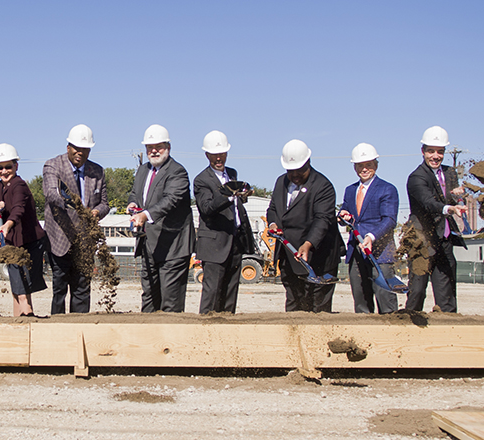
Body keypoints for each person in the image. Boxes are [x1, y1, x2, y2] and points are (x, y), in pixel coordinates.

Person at [266, 139, 340, 313]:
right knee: (293, 301)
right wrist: (273, 223)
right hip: (289, 255)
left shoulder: (323, 186)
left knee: (317, 307)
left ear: (308, 162)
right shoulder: (280, 183)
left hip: (318, 256)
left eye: (300, 171)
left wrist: (308, 244)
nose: (295, 175)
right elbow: (273, 209)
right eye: (291, 171)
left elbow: (322, 220)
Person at [41, 124, 109, 314]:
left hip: (85, 242)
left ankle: (80, 328)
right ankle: (56, 329)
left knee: (82, 290)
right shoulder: (53, 165)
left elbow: (104, 204)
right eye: (76, 148)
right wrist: (74, 204)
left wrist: (95, 212)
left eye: (85, 149)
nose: (80, 152)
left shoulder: (98, 172)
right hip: (60, 240)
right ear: (68, 147)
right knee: (59, 290)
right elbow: (52, 194)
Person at [128, 124, 195, 313]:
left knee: (170, 302)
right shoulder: (142, 171)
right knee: (149, 297)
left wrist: (145, 215)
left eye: (159, 146)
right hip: (149, 245)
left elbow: (170, 200)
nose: (154, 150)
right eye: (150, 147)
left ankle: (170, 342)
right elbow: (135, 194)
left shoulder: (177, 172)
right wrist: (133, 205)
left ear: (168, 147)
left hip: (173, 247)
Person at [193, 131, 256, 314]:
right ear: (207, 155)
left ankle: (228, 329)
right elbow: (206, 208)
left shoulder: (232, 174)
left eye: (222, 154)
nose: (219, 158)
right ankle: (205, 330)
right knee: (212, 293)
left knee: (230, 291)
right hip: (214, 244)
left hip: (234, 241)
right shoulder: (201, 180)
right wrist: (229, 194)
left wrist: (242, 195)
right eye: (214, 155)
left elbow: (236, 205)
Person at [405, 125, 467, 313]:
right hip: (422, 241)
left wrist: (457, 197)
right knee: (417, 290)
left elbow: (451, 196)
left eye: (440, 152)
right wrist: (449, 207)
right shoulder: (417, 177)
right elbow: (428, 202)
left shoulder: (450, 173)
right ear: (423, 151)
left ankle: (449, 327)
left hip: (444, 240)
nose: (435, 156)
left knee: (446, 291)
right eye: (431, 151)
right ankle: (410, 324)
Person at [337, 143, 400, 314]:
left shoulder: (387, 189)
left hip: (380, 251)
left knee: (385, 296)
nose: (364, 169)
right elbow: (345, 215)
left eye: (368, 165)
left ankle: (391, 334)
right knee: (361, 299)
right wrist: (343, 216)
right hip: (356, 251)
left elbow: (389, 220)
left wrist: (372, 237)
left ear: (376, 165)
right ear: (354, 167)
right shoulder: (350, 190)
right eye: (360, 166)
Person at [0, 143, 47, 316]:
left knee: (24, 284)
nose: (4, 171)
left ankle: (27, 315)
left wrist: (8, 223)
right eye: (0, 167)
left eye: (8, 167)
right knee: (16, 283)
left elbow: (19, 209)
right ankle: (19, 319)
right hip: (12, 241)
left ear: (16, 166)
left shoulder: (19, 185)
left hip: (30, 242)